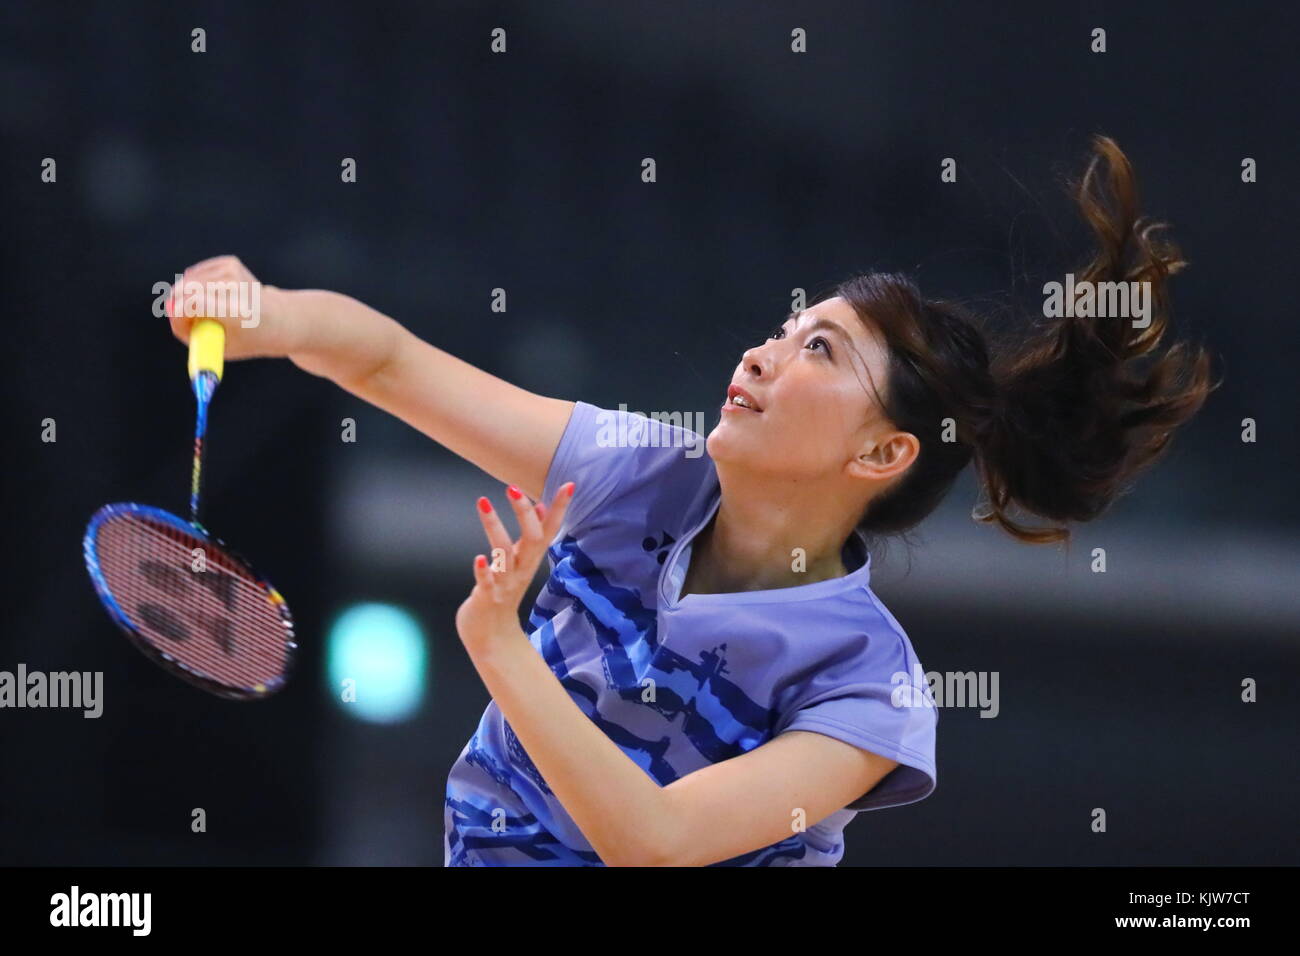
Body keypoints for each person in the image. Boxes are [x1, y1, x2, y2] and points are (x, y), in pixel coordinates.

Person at [166, 135, 1216, 866]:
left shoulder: (863, 685)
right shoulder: (641, 471)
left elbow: (654, 842)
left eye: (819, 350)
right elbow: (390, 362)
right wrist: (266, 310)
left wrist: (502, 651)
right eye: (785, 325)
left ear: (885, 449)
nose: (763, 351)